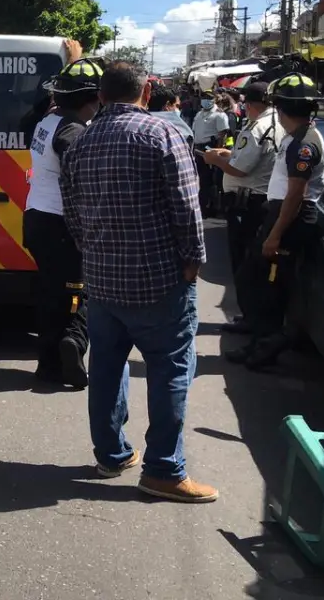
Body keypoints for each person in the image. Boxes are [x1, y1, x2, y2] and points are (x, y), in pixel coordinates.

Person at [61, 62, 217, 504]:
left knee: (108, 369)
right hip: (159, 283)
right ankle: (164, 470)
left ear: (102, 96)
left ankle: (111, 455)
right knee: (171, 371)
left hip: (103, 282)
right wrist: (193, 262)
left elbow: (72, 216)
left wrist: (95, 256)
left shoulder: (81, 142)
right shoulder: (161, 134)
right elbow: (188, 208)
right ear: (146, 92)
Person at [226, 73, 324, 370]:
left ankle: (268, 346)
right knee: (254, 279)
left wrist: (275, 235)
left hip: (290, 218)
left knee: (270, 287)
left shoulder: (303, 143)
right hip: (281, 214)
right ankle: (260, 341)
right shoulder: (297, 137)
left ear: (281, 109)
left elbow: (296, 194)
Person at [23, 58, 103, 390]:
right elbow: (80, 181)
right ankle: (73, 342)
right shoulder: (73, 132)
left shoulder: (48, 120)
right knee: (76, 292)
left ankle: (48, 364)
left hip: (37, 218)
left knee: (51, 292)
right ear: (94, 98)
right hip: (62, 224)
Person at [202, 82, 280, 284]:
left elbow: (239, 169)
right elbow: (254, 158)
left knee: (243, 258)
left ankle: (247, 308)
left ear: (250, 104)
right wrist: (229, 154)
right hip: (264, 199)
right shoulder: (278, 123)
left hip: (247, 203)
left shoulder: (256, 128)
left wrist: (215, 160)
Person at [191, 91, 230, 217]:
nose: (205, 100)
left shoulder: (219, 114)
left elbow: (222, 135)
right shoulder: (199, 113)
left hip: (210, 148)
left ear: (214, 99)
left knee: (211, 180)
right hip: (198, 149)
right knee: (202, 179)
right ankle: (203, 207)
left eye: (209, 98)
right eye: (204, 97)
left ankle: (213, 207)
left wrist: (217, 152)